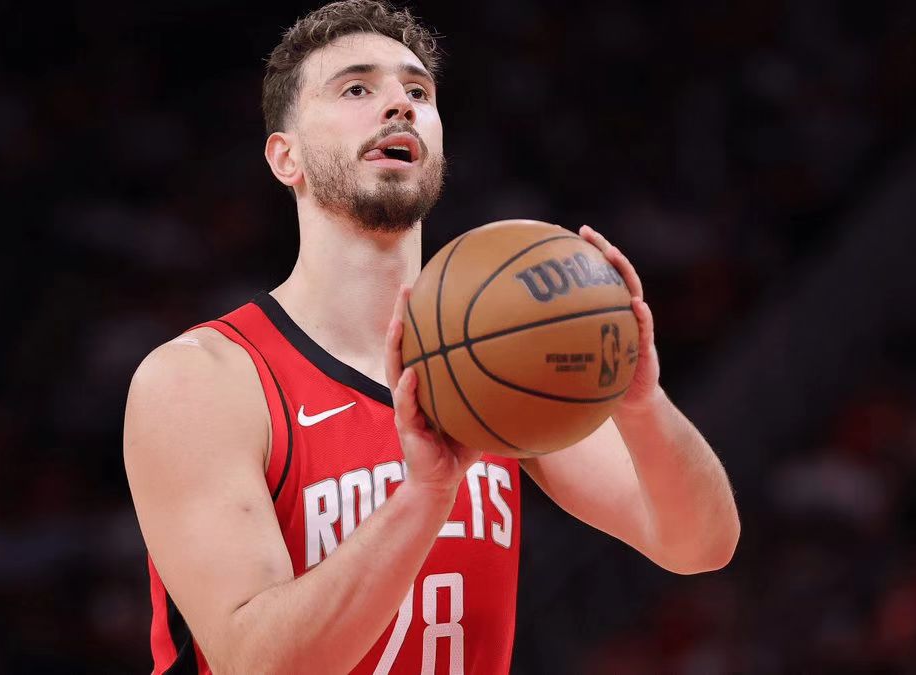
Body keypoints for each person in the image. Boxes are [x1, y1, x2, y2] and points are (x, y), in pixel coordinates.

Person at [122, 1, 740, 672]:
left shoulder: (502, 354)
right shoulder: (202, 380)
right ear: (285, 157)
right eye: (356, 89)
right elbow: (256, 663)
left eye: (417, 92)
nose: (399, 104)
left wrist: (641, 403)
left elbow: (701, 544)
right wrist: (425, 496)